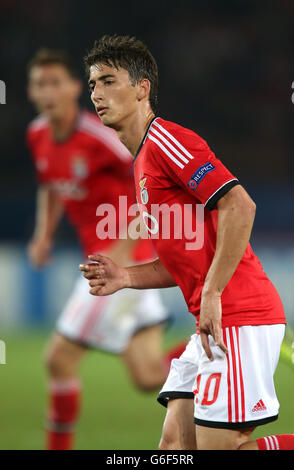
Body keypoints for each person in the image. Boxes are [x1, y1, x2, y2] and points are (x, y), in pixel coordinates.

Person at [79, 35, 294, 450]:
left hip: (239, 315)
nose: (97, 93)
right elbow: (182, 261)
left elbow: (240, 205)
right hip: (210, 324)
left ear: (142, 88)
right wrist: (125, 275)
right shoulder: (142, 161)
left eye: (108, 81)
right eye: (92, 84)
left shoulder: (165, 140)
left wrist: (213, 292)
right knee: (174, 450)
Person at [26, 48, 187, 451]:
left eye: (55, 83)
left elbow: (148, 177)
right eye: (39, 84)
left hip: (118, 262)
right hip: (111, 261)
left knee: (58, 359)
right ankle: (214, 347)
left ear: (74, 89)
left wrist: (124, 245)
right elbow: (51, 183)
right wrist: (43, 234)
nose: (47, 92)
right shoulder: (38, 134)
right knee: (149, 376)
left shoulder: (99, 137)